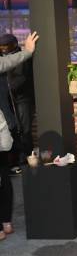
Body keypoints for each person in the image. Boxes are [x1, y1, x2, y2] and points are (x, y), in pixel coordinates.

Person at [0, 32, 39, 242]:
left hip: (14, 110)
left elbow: (10, 65)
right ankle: (5, 222)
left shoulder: (11, 59)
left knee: (3, 172)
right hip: (6, 117)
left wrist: (27, 51)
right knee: (3, 174)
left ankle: (3, 223)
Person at [0, 34, 35, 175]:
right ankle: (15, 161)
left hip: (22, 99)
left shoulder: (22, 58)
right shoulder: (5, 58)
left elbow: (21, 78)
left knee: (23, 129)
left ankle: (24, 160)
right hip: (9, 99)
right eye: (1, 47)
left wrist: (9, 87)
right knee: (13, 129)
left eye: (5, 47)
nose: (3, 50)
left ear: (13, 45)